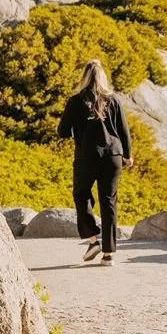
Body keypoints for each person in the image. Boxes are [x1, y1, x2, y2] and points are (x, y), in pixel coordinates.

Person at [57, 60, 133, 265]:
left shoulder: (75, 101)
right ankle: (108, 254)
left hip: (87, 157)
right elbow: (124, 131)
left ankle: (93, 240)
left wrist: (79, 131)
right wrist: (128, 155)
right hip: (113, 156)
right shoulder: (114, 100)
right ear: (102, 77)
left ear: (84, 77)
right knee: (109, 201)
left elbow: (62, 131)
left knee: (81, 196)